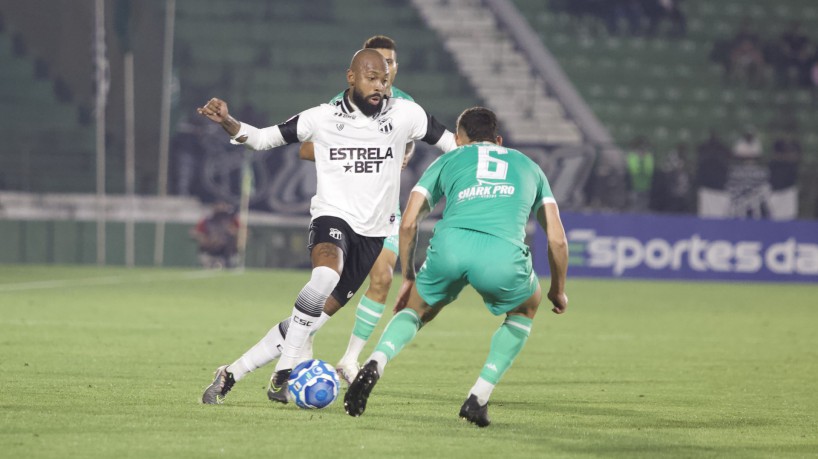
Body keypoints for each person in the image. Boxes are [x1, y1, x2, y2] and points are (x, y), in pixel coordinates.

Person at [198, 48, 458, 405]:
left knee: (306, 323)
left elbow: (454, 146)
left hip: (373, 234)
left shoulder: (406, 114)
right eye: (371, 77)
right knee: (324, 277)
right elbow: (261, 139)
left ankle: (231, 374)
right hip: (332, 218)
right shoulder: (321, 118)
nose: (379, 86)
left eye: (384, 79)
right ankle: (284, 373)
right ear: (351, 78)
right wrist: (229, 122)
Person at [343, 107, 569, 427]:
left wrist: (409, 277)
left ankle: (375, 362)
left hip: (450, 246)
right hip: (501, 255)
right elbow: (558, 242)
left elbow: (408, 224)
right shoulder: (531, 167)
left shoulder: (448, 159)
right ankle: (478, 396)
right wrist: (558, 291)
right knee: (523, 309)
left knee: (417, 309)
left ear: (459, 139)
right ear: (499, 140)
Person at [299, 35, 416, 384]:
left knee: (382, 278)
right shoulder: (343, 103)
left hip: (385, 211)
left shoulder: (406, 105)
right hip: (345, 210)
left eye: (391, 63)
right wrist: (355, 150)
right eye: (378, 63)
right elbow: (305, 148)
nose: (385, 69)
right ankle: (302, 333)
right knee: (332, 283)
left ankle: (349, 360)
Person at [190, 201, 239, 269]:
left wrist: (234, 233)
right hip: (210, 251)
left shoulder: (232, 219)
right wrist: (205, 239)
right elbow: (196, 232)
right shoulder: (207, 220)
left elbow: (243, 233)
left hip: (228, 252)